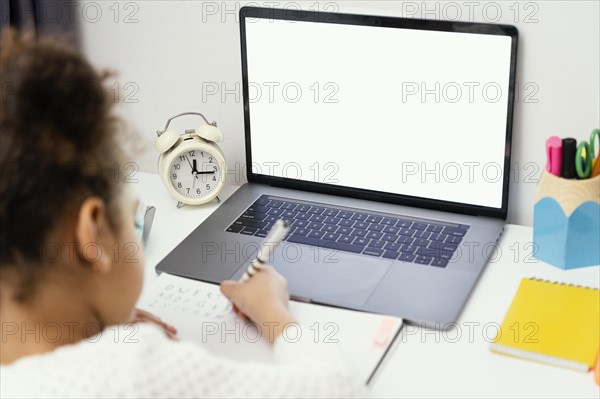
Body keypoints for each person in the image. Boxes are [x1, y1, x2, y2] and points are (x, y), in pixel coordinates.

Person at [0, 30, 360, 398]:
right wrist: (273, 313)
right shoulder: (130, 371)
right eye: (131, 215)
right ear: (93, 236)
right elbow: (337, 389)